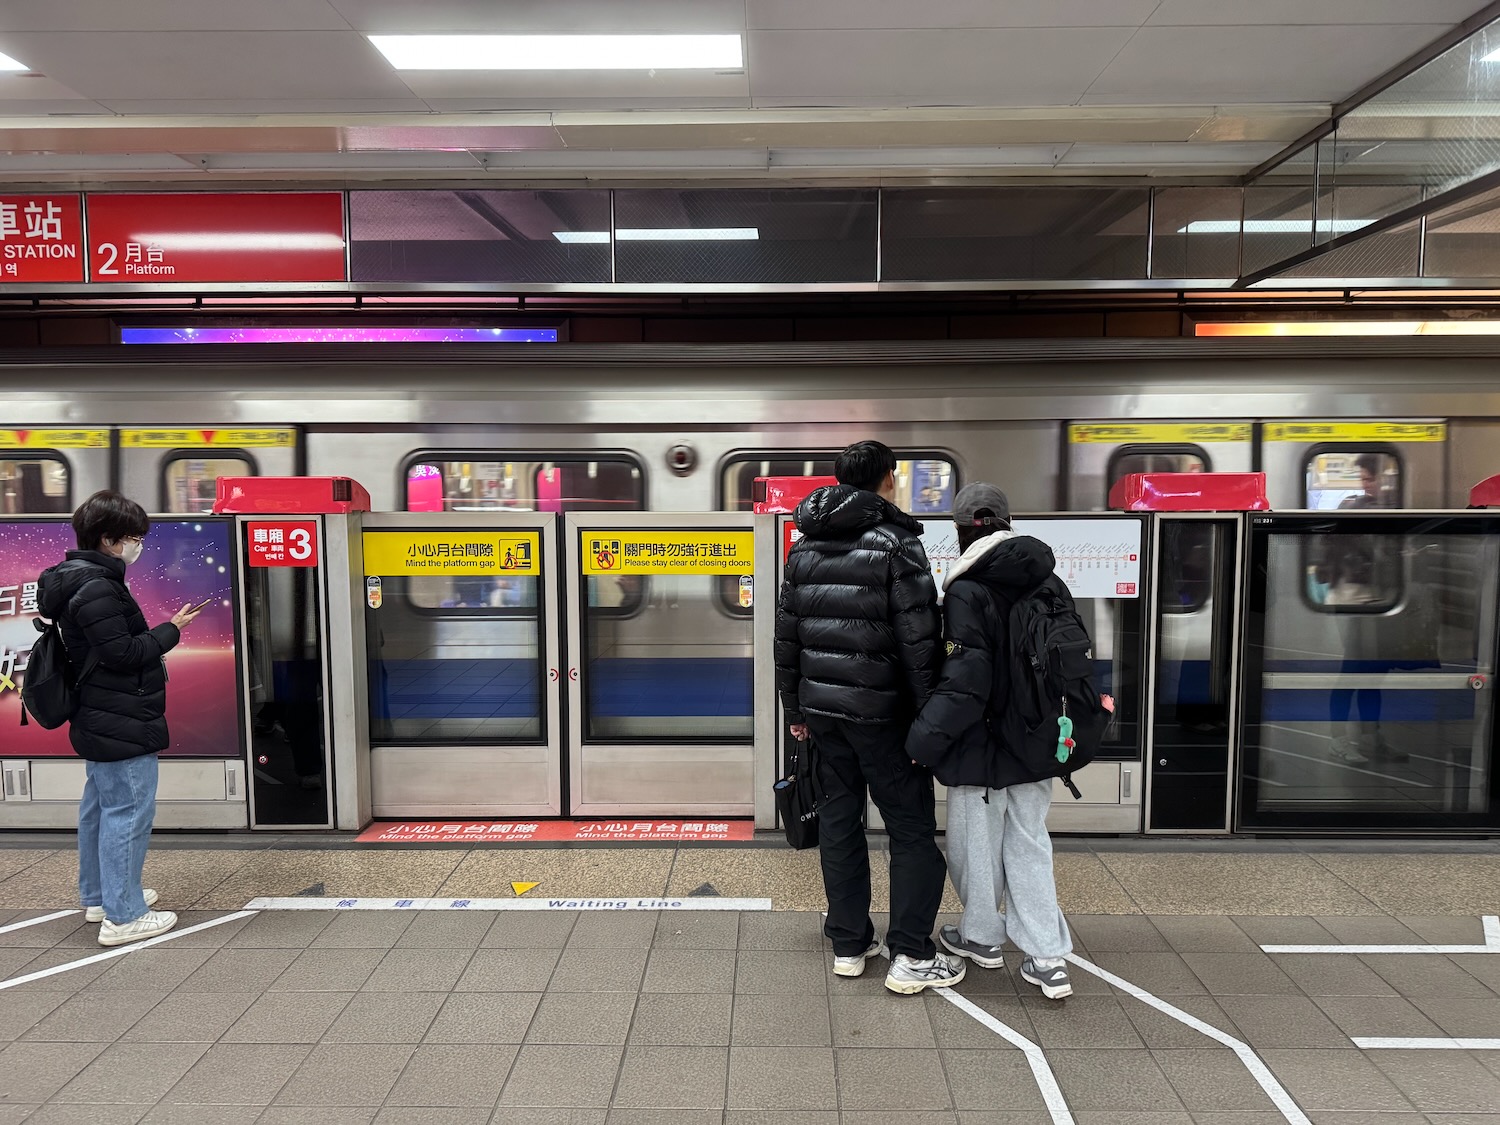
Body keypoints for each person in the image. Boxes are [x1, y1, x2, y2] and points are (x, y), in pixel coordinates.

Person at [775, 440, 962, 995]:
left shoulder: (804, 547)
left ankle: (850, 945)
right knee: (909, 830)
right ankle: (910, 953)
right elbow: (919, 643)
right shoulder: (895, 545)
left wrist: (796, 710)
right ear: (888, 478)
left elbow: (787, 638)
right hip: (884, 717)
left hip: (823, 713)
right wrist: (929, 719)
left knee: (839, 824)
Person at [906, 483, 1075, 1000]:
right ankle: (1047, 958)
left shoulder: (966, 590)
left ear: (960, 531)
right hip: (1035, 740)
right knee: (1029, 844)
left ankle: (981, 937)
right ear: (1007, 522)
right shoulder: (1050, 581)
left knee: (974, 847)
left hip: (980, 746)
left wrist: (923, 739)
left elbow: (965, 680)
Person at [37, 490, 204, 947]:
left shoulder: (77, 579)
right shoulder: (96, 586)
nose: (138, 545)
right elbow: (122, 653)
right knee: (127, 812)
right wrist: (171, 630)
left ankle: (101, 896)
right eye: (132, 537)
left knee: (100, 807)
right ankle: (125, 915)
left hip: (100, 713)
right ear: (108, 539)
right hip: (118, 714)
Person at [1316, 454, 1404, 765]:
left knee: (1374, 674)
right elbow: (1334, 558)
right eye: (1364, 479)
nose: (1368, 485)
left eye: (1372, 478)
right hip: (1351, 600)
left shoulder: (1394, 509)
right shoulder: (1351, 510)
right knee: (1352, 671)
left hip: (1379, 602)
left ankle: (1371, 738)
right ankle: (1337, 740)